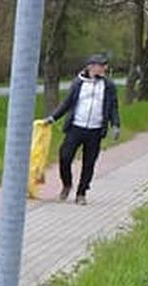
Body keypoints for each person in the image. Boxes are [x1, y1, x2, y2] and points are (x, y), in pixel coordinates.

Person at [44, 53, 120, 205]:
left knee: (89, 162)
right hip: (76, 127)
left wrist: (116, 125)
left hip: (95, 129)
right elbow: (66, 103)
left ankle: (81, 193)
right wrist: (52, 118)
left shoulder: (108, 86)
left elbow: (113, 107)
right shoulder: (78, 83)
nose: (104, 68)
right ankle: (67, 184)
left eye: (105, 65)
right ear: (91, 67)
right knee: (65, 156)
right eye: (101, 65)